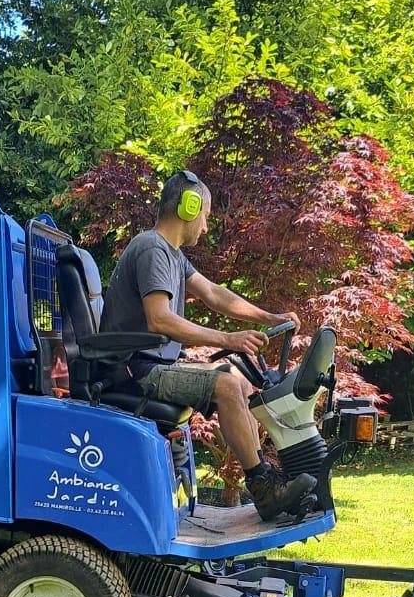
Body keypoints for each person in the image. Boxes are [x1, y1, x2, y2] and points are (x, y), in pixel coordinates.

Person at [98, 169, 316, 522]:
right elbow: (160, 320)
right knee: (228, 386)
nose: (206, 226)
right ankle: (265, 490)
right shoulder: (152, 249)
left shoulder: (171, 254)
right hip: (137, 371)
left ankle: (266, 478)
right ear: (188, 206)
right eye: (206, 216)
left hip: (153, 365)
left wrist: (268, 317)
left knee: (239, 380)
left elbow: (215, 294)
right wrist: (227, 339)